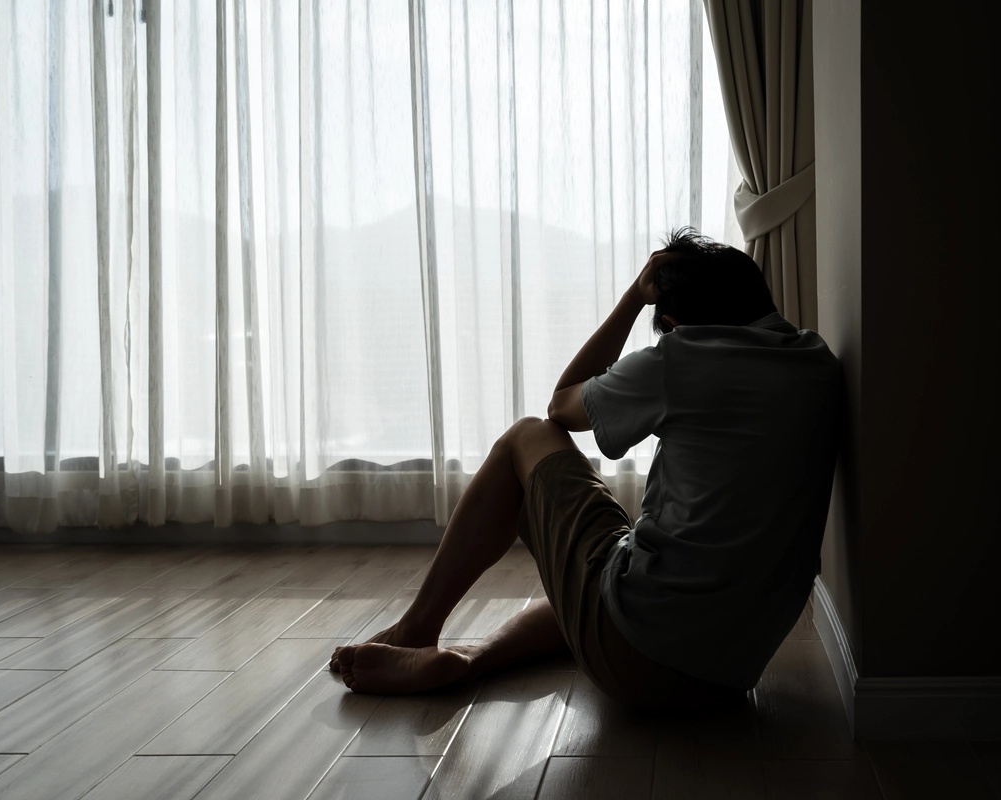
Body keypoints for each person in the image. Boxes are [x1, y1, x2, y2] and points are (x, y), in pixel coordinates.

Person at [331, 228, 842, 711]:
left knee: (525, 436)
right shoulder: (817, 360)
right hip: (729, 673)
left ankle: (415, 630)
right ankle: (469, 661)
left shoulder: (682, 358)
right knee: (612, 569)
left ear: (676, 323)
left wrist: (632, 300)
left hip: (637, 657)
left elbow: (560, 409)